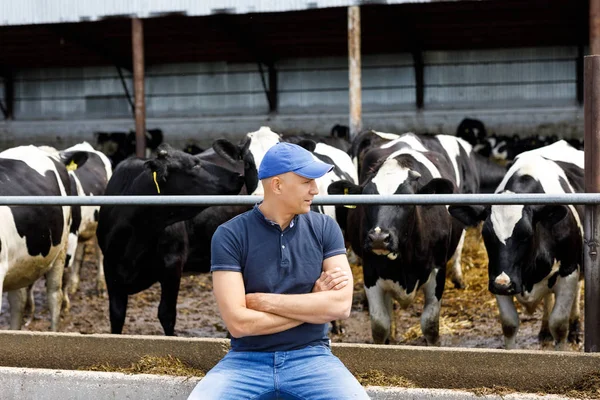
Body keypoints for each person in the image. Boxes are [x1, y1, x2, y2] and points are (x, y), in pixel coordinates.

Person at [187, 142, 369, 399]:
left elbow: (340, 307)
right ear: (277, 185)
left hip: (312, 357)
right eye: (307, 181)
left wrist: (264, 302)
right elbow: (238, 324)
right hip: (245, 361)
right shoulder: (229, 235)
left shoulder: (326, 228)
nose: (315, 190)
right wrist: (313, 306)